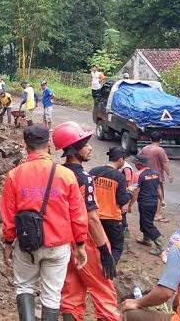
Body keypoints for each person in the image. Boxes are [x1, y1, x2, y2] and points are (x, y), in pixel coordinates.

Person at [0, 124, 89, 321]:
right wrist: (80, 244)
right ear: (49, 144)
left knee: (24, 286)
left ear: (25, 145)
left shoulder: (14, 175)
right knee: (52, 294)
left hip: (27, 244)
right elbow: (78, 214)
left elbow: (8, 214)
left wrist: (8, 242)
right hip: (58, 245)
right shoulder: (66, 175)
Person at [52, 122, 119, 321]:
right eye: (85, 144)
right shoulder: (84, 178)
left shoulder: (56, 174)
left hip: (63, 239)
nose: (90, 148)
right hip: (87, 241)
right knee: (104, 290)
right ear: (73, 149)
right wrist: (104, 250)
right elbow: (91, 218)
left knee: (71, 291)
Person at [89, 146, 132, 263]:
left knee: (96, 245)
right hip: (112, 218)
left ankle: (97, 267)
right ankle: (109, 269)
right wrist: (129, 193)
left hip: (94, 217)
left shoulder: (93, 172)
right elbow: (121, 200)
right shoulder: (119, 177)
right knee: (116, 247)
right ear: (120, 159)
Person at [129, 154, 164, 256]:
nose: (135, 165)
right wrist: (162, 200)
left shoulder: (138, 174)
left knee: (147, 224)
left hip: (145, 203)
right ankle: (146, 239)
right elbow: (158, 188)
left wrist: (130, 204)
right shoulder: (155, 173)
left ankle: (160, 245)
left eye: (136, 163)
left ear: (139, 164)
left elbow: (136, 191)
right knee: (145, 221)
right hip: (153, 202)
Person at [139, 133, 172, 223]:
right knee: (160, 197)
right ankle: (158, 215)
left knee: (147, 194)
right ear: (160, 140)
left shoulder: (145, 148)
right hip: (157, 177)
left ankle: (148, 214)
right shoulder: (160, 150)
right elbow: (165, 163)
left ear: (150, 139)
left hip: (146, 176)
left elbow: (138, 159)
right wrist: (169, 175)